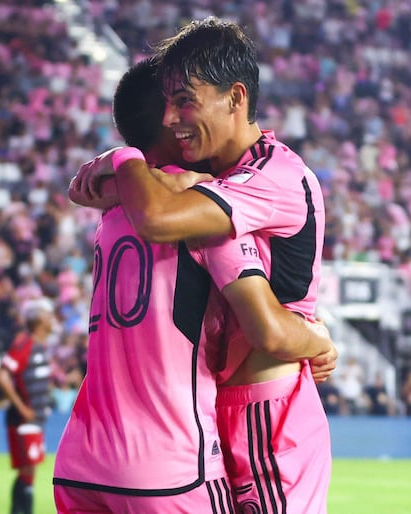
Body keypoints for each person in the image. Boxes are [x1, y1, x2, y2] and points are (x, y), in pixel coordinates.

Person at [71, 17, 331, 513]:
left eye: (185, 100)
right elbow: (111, 191)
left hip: (265, 413)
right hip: (212, 411)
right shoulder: (214, 177)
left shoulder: (271, 174)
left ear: (235, 98)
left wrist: (318, 337)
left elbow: (153, 211)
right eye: (167, 102)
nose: (171, 117)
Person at [0, 298, 55, 514]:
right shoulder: (24, 344)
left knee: (29, 471)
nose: (52, 319)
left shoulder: (40, 347)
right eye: (48, 315)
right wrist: (22, 408)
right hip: (24, 419)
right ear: (39, 320)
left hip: (36, 419)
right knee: (27, 470)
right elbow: (2, 376)